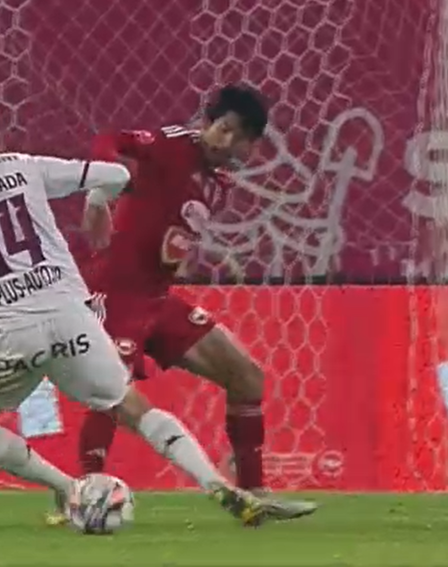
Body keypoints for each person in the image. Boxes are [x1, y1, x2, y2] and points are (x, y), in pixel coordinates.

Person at [0, 103, 272, 526]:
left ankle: (67, 488)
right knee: (133, 407)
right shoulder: (24, 165)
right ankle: (217, 484)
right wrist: (97, 199)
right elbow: (116, 175)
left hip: (13, 331)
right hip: (71, 317)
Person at [56, 85, 316, 523]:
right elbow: (111, 140)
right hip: (117, 293)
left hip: (157, 299)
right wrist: (99, 193)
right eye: (222, 128)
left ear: (251, 147)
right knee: (110, 392)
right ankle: (83, 493)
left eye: (239, 137)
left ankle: (254, 494)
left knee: (247, 377)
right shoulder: (173, 144)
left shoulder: (219, 184)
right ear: (208, 122)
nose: (226, 141)